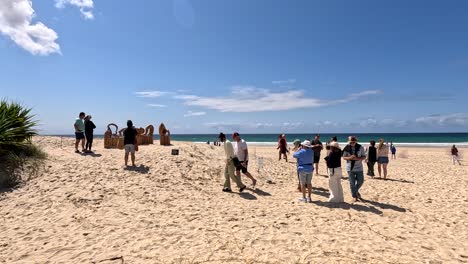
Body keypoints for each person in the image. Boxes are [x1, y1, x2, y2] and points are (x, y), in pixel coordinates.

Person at [342, 136, 366, 202]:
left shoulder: (360, 147)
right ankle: (354, 196)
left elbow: (364, 156)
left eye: (353, 141)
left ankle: (356, 191)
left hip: (359, 168)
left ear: (356, 141)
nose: (352, 143)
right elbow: (344, 157)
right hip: (350, 168)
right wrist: (350, 158)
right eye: (351, 142)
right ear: (349, 141)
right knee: (352, 183)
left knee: (361, 181)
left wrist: (357, 158)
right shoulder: (347, 147)